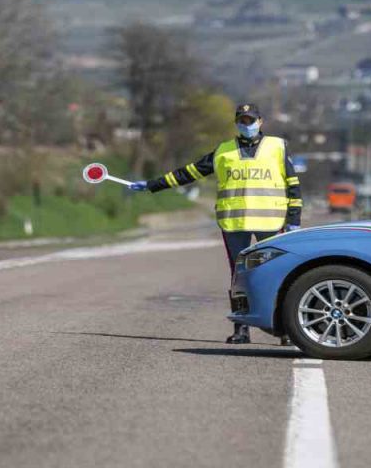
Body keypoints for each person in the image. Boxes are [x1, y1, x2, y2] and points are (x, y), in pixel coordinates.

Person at [129, 103, 302, 345]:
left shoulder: (277, 147)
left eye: (250, 120)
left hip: (270, 222)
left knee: (278, 274)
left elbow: (293, 185)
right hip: (234, 223)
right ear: (236, 123)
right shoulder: (223, 151)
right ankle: (241, 329)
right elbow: (189, 172)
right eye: (242, 120)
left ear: (260, 122)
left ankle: (285, 331)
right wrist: (152, 185)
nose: (246, 124)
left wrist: (294, 219)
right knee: (238, 277)